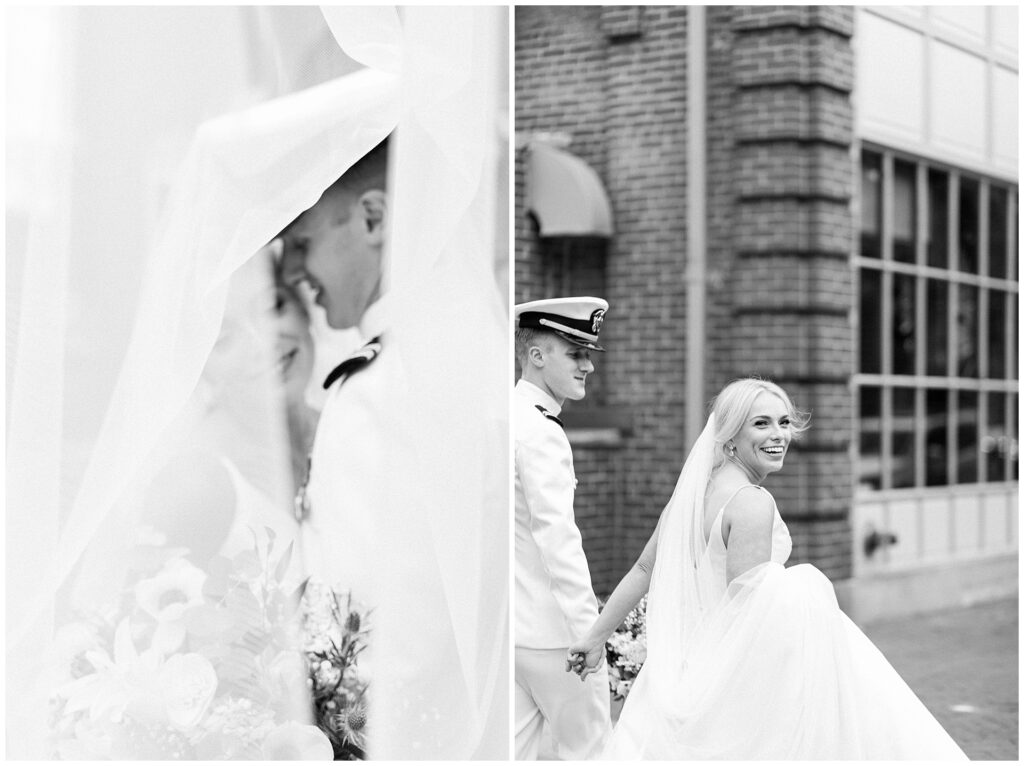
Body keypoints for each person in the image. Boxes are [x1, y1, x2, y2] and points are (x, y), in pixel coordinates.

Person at [567, 377, 969, 760]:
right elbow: (749, 616)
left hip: (685, 665)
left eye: (783, 422)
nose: (778, 434)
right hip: (730, 671)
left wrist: (595, 637)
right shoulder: (751, 502)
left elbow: (642, 568)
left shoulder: (692, 498)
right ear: (729, 437)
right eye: (761, 424)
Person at [278, 138, 391, 600]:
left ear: (373, 219)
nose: (291, 271)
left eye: (303, 242)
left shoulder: (382, 385)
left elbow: (366, 606)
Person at [514, 296, 612, 760]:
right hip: (557, 640)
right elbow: (559, 543)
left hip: (508, 633)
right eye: (575, 353)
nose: (588, 365)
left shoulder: (500, 418)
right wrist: (589, 633)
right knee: (590, 754)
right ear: (537, 356)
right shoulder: (540, 432)